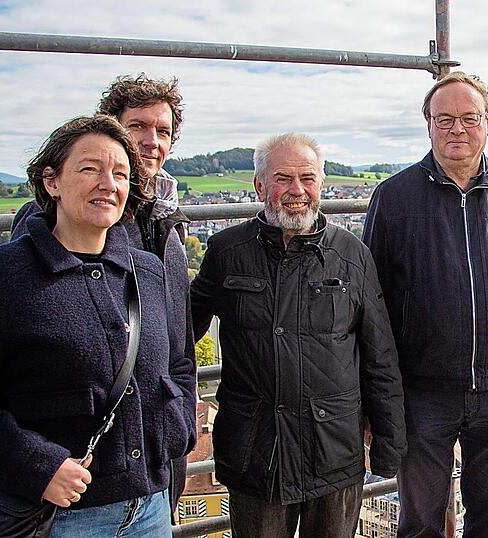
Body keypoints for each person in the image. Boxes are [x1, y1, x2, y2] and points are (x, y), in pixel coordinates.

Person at [0, 115, 197, 537]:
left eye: (120, 173)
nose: (107, 183)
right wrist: (37, 466)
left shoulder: (148, 273)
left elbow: (179, 364)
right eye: (89, 169)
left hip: (150, 508)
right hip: (54, 516)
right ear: (51, 182)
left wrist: (177, 432)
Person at [362, 72, 488, 538]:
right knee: (420, 523)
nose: (457, 129)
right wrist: (376, 399)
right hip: (422, 393)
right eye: (444, 119)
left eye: (469, 118)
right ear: (427, 124)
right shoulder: (394, 197)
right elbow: (371, 307)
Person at [190, 133, 406, 538]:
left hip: (334, 451)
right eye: (282, 178)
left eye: (307, 178)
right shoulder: (226, 251)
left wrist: (388, 447)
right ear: (259, 185)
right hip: (258, 452)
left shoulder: (351, 254)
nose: (297, 191)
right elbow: (181, 337)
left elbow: (380, 355)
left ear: (321, 184)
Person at [12, 74, 194, 513]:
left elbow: (179, 341)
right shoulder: (56, 217)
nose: (152, 141)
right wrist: (41, 461)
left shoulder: (169, 223)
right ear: (109, 129)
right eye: (137, 127)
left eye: (163, 131)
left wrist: (179, 425)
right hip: (79, 474)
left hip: (155, 463)